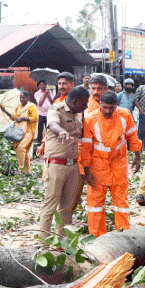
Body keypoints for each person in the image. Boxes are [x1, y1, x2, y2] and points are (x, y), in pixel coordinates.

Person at [79, 91, 142, 237]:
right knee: (95, 205)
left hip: (119, 165)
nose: (108, 111)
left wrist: (137, 156)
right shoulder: (90, 119)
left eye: (111, 108)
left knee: (121, 204)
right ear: (99, 104)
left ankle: (124, 237)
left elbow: (133, 136)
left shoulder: (125, 115)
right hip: (97, 167)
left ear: (116, 106)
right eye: (105, 107)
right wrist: (86, 171)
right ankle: (97, 238)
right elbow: (85, 148)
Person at [38, 86, 90, 238]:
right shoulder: (56, 110)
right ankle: (43, 243)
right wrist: (61, 131)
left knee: (67, 208)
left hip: (73, 165)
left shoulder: (79, 114)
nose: (86, 107)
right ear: (74, 101)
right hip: (56, 165)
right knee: (50, 206)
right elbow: (53, 124)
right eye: (84, 104)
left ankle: (63, 242)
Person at [0, 90, 38, 175]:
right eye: (20, 97)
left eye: (23, 97)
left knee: (21, 148)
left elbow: (35, 118)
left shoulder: (32, 106)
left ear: (28, 98)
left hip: (29, 131)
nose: (21, 99)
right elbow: (14, 118)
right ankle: (28, 172)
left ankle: (20, 169)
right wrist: (5, 111)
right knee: (25, 151)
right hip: (18, 131)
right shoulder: (18, 107)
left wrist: (23, 118)